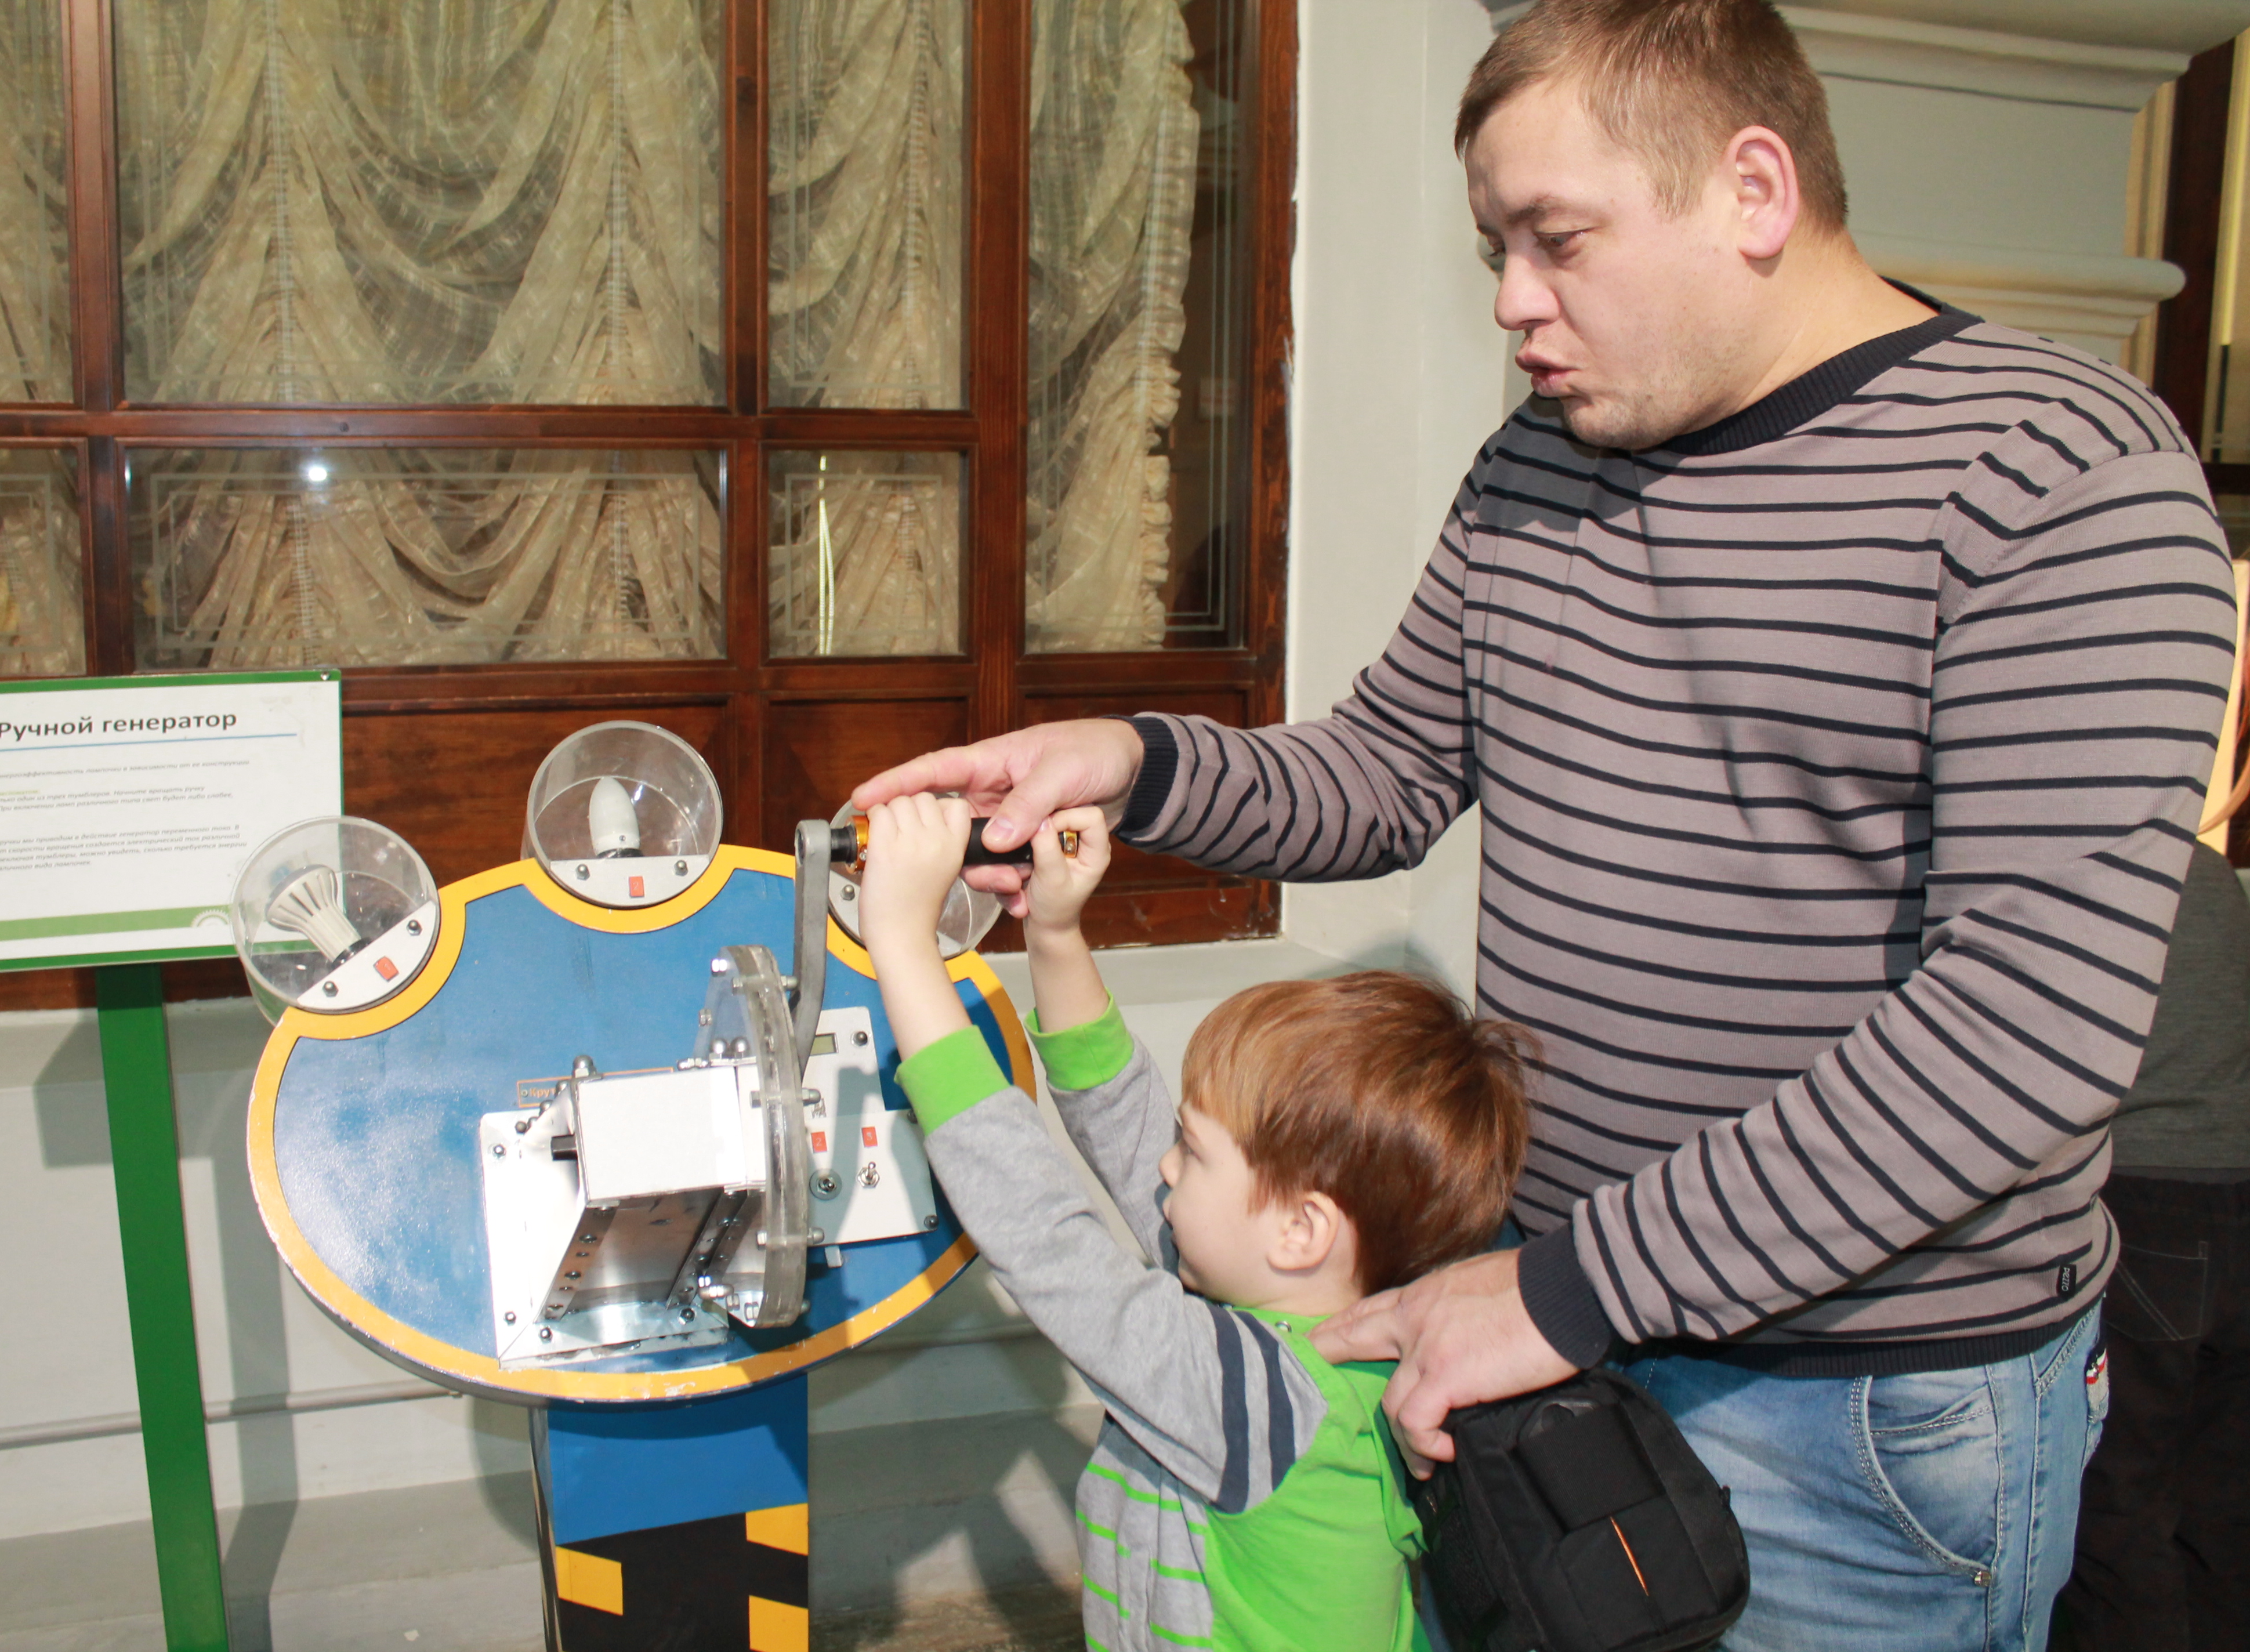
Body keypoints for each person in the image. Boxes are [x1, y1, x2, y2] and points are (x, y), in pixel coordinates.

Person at [852, 3, 2237, 1647]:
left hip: (1854, 1411)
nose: (1513, 300)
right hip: (1541, 1325)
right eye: (1494, 247)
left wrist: (1570, 1292)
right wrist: (1131, 763)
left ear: (1754, 189)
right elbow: (1383, 772)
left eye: (1556, 240)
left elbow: (2020, 1036)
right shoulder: (1544, 462)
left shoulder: (2062, 475)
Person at [853, 791, 1530, 1652]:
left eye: (1195, 1151)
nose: (1166, 1165)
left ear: (1301, 1232)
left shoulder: (1262, 1403)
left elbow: (1045, 1240)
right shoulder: (1299, 1324)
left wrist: (904, 943)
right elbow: (1124, 1118)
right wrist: (1054, 933)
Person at [2057, 618, 2250, 1650]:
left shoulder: (2102, 877)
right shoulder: (2214, 879)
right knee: (2221, 1502)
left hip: (2145, 1200)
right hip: (2238, 1192)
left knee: (2117, 1504)